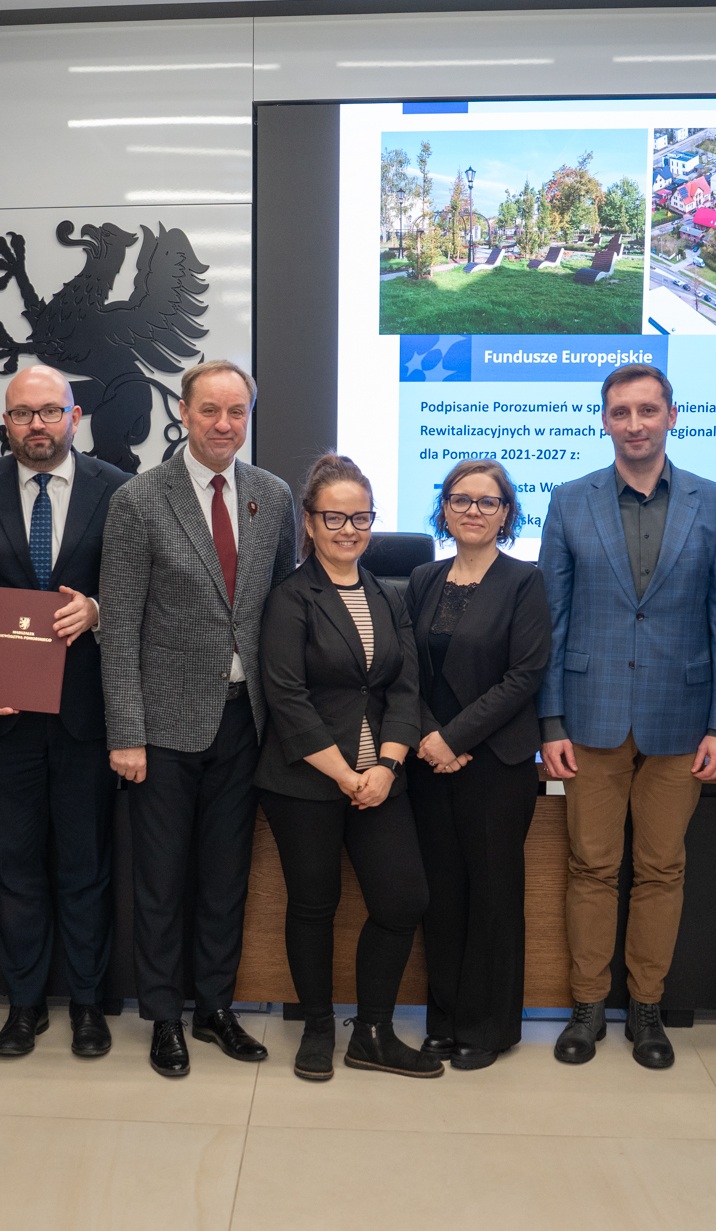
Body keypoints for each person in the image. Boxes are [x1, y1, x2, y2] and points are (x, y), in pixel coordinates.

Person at [99, 361, 299, 1078]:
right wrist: (125, 730)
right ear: (182, 412)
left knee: (225, 877)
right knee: (160, 879)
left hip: (245, 721)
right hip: (160, 726)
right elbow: (118, 624)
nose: (223, 424)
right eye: (209, 410)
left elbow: (285, 610)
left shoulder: (272, 497)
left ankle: (214, 1007)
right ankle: (163, 1016)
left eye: (236, 411)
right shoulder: (138, 499)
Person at [538, 363, 716, 1070]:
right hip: (589, 718)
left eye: (647, 410)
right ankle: (588, 1007)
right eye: (620, 412)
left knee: (661, 867)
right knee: (591, 866)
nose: (634, 423)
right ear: (604, 421)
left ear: (671, 416)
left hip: (682, 721)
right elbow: (553, 621)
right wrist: (550, 722)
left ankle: (646, 1009)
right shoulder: (568, 501)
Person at [0, 365, 130, 1059]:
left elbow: (140, 590)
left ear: (73, 417)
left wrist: (100, 609)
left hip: (85, 714)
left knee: (85, 867)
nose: (37, 425)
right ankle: (22, 1006)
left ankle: (85, 1005)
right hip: (4, 709)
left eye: (49, 412)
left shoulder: (116, 488)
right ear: (6, 421)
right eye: (23, 414)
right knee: (15, 867)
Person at [255, 454, 440, 1083]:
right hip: (307, 780)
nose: (348, 529)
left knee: (402, 898)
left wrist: (386, 766)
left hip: (380, 778)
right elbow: (286, 697)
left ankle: (373, 1032)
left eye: (360, 517)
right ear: (309, 522)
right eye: (334, 517)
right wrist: (344, 775)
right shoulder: (290, 598)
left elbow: (405, 690)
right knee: (314, 904)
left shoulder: (389, 598)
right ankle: (315, 1028)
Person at [405, 459, 549, 1070]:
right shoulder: (422, 578)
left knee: (492, 894)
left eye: (488, 503)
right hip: (426, 761)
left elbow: (525, 675)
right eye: (461, 500)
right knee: (441, 896)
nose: (473, 511)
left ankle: (487, 1028)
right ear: (444, 509)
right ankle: (443, 1020)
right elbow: (402, 666)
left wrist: (458, 737)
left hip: (495, 762)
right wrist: (430, 738)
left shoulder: (526, 582)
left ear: (507, 515)